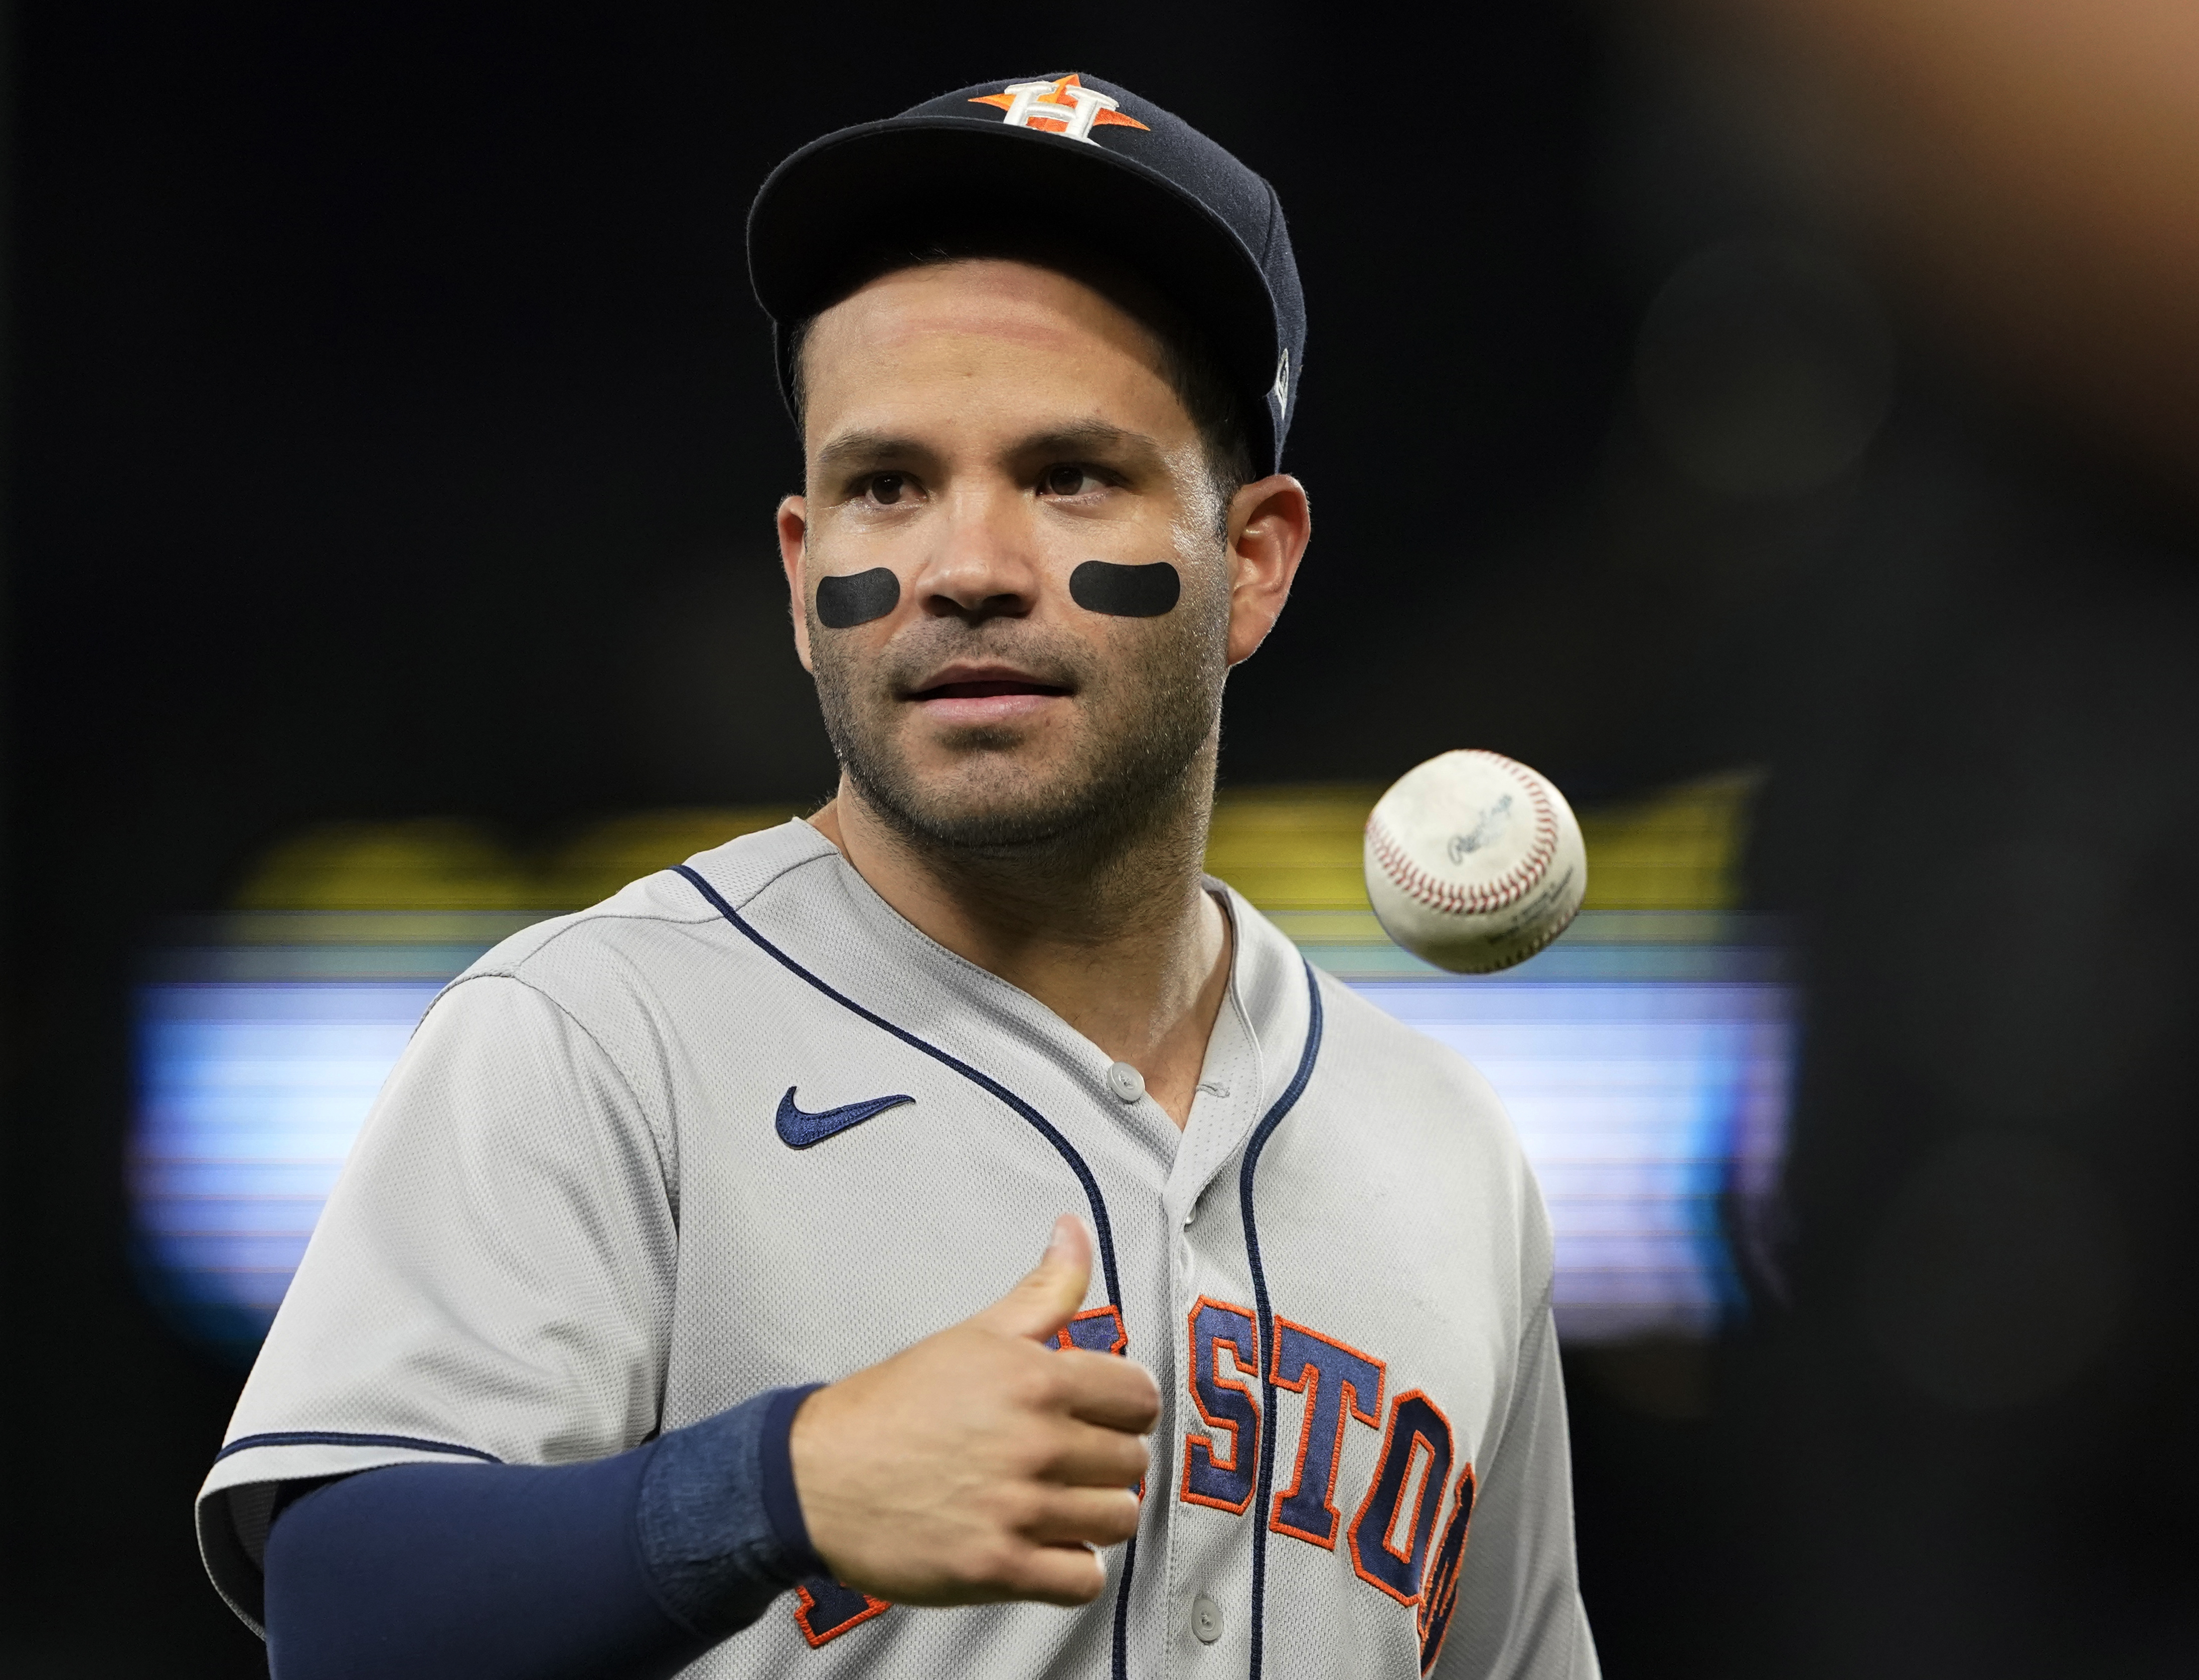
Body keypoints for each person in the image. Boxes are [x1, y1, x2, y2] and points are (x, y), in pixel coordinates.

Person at [195, 72, 1598, 1680]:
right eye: (888, 486)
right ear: (802, 579)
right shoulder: (599, 1037)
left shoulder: (1442, 1147)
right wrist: (777, 1485)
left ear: (1255, 561)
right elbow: (347, 1619)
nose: (969, 571)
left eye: (1071, 474)